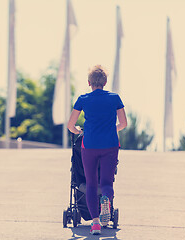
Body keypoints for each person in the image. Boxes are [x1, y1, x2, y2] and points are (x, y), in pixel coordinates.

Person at [67, 65, 127, 235]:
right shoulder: (115, 98)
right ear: (105, 82)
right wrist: (110, 129)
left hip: (90, 145)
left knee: (92, 184)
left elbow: (70, 125)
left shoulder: (83, 99)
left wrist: (79, 131)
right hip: (110, 145)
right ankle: (106, 200)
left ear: (89, 82)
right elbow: (123, 124)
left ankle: (95, 224)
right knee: (107, 183)